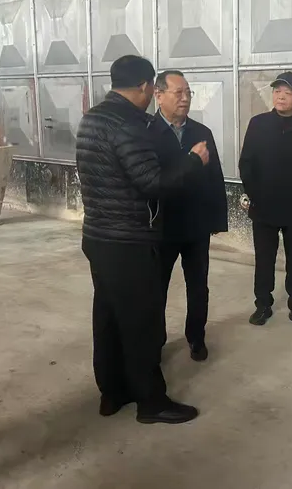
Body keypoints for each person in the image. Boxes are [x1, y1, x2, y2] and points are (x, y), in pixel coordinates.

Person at [76, 55, 209, 425]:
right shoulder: (130, 124)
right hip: (128, 240)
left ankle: (112, 392)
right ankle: (151, 402)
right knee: (142, 324)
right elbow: (152, 183)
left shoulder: (93, 118)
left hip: (98, 235)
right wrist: (193, 161)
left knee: (108, 317)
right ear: (146, 87)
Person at [238, 72, 292, 329]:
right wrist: (255, 196)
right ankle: (262, 306)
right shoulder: (258, 124)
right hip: (263, 206)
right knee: (264, 260)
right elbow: (246, 164)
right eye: (277, 91)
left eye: (288, 93)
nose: (281, 97)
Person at [152, 70, 228, 363]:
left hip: (196, 226)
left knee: (198, 286)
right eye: (178, 93)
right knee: (156, 288)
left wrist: (217, 220)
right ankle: (155, 340)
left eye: (188, 93)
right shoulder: (147, 133)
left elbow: (215, 177)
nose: (184, 99)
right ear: (159, 95)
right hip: (161, 227)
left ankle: (196, 336)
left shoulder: (201, 132)